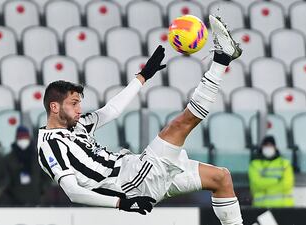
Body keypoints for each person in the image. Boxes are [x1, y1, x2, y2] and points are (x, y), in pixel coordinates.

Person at [37, 15, 244, 224]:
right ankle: (222, 60)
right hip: (129, 182)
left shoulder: (77, 125)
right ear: (54, 107)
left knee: (221, 177)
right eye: (74, 104)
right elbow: (73, 192)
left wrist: (143, 76)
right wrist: (120, 202)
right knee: (180, 124)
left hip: (135, 169)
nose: (79, 109)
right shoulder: (50, 145)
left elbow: (111, 110)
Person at [5, 126, 51, 205]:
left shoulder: (39, 157)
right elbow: (6, 178)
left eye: (25, 137)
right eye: (20, 138)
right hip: (15, 201)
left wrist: (42, 190)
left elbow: (47, 176)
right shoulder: (9, 158)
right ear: (16, 139)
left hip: (35, 198)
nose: (23, 140)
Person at [248, 136, 294, 207]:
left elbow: (287, 184)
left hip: (284, 208)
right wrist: (277, 180)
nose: (268, 148)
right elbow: (256, 184)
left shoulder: (285, 164)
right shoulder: (255, 164)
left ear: (275, 147)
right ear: (262, 147)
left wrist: (266, 187)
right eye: (266, 145)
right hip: (261, 208)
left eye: (270, 145)